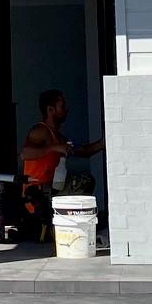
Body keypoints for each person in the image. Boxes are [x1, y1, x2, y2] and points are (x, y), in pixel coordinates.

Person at [17, 90, 103, 238]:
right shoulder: (40, 131)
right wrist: (54, 148)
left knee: (83, 181)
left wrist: (102, 144)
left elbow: (83, 151)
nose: (66, 110)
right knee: (83, 182)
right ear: (50, 110)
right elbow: (25, 154)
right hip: (37, 195)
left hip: (51, 190)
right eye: (62, 106)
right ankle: (57, 222)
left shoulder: (57, 136)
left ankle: (63, 222)